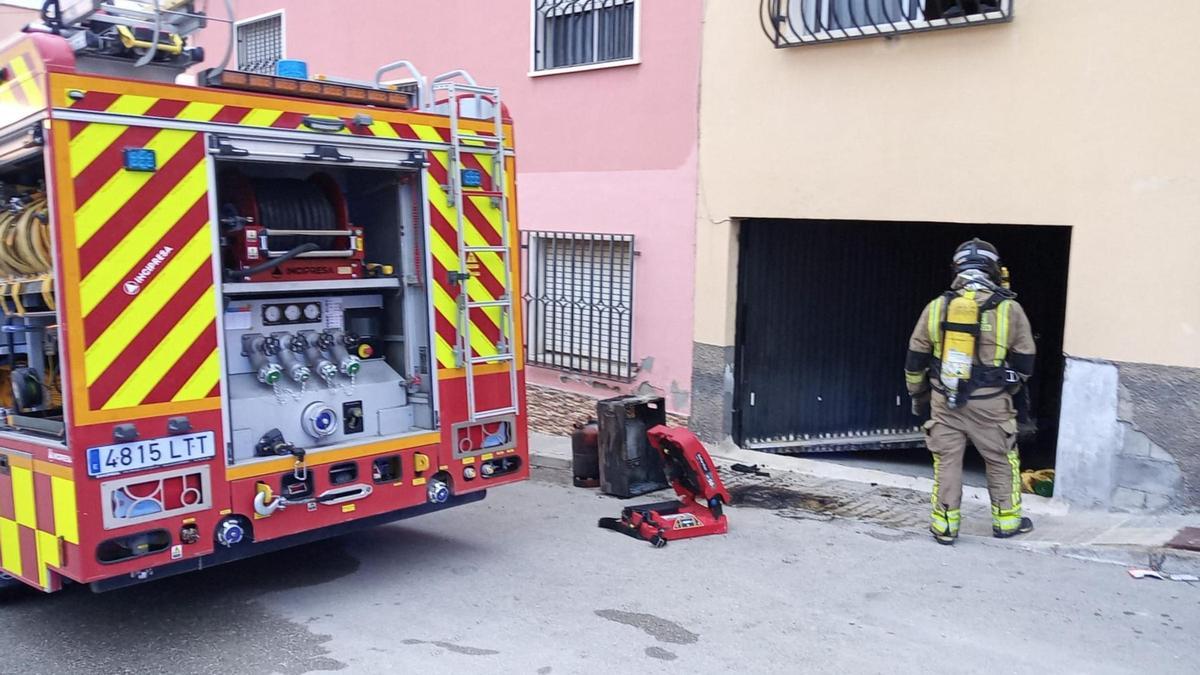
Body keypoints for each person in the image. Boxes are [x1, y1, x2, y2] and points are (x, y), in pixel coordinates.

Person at [904, 239, 1036, 545]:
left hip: (943, 400)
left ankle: (945, 526)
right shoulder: (1009, 309)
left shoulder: (937, 307)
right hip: (991, 404)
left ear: (957, 269)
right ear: (992, 269)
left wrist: (919, 395)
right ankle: (1007, 522)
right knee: (1002, 460)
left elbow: (915, 358)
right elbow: (1026, 360)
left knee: (946, 462)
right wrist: (1008, 386)